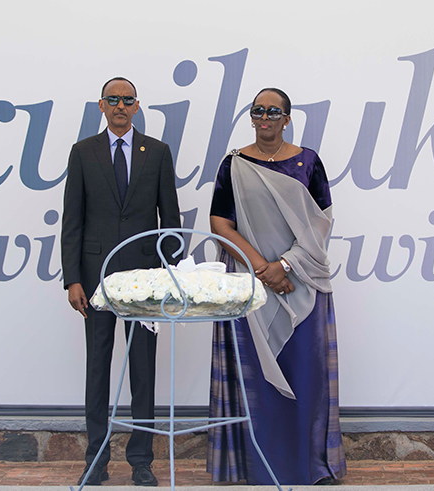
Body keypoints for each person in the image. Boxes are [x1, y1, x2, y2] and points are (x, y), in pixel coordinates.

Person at [206, 88, 347, 485]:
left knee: (306, 375)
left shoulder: (309, 162)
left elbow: (322, 222)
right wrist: (262, 268)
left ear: (287, 118)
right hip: (251, 289)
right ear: (251, 117)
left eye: (273, 111)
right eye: (258, 111)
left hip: (303, 284)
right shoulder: (234, 164)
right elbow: (221, 223)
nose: (265, 117)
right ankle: (254, 467)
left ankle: (307, 467)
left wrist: (285, 265)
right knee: (254, 378)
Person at [61, 77, 181, 486]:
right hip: (95, 283)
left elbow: (172, 222)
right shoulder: (83, 153)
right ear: (100, 105)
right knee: (98, 369)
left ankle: (141, 461)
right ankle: (96, 459)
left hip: (146, 282)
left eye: (127, 100)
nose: (120, 106)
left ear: (137, 106)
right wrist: (72, 279)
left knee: (143, 371)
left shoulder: (158, 152)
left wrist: (170, 274)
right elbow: (72, 222)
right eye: (113, 100)